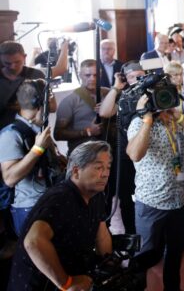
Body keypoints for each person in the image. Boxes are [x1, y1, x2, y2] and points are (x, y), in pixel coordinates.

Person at [126, 87, 184, 291]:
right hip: (151, 203)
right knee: (144, 256)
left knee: (175, 254)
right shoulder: (138, 123)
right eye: (161, 98)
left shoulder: (177, 122)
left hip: (179, 201)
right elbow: (134, 154)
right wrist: (147, 120)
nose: (165, 101)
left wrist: (180, 117)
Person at [7, 140, 113, 291]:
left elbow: (101, 235)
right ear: (76, 171)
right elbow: (33, 241)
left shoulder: (96, 196)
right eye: (98, 167)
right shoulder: (61, 198)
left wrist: (109, 268)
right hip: (41, 284)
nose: (105, 174)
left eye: (108, 167)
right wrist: (66, 283)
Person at [0, 80, 59, 235]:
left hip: (48, 201)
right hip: (29, 207)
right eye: (49, 102)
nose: (52, 109)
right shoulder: (11, 134)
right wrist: (37, 149)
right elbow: (10, 178)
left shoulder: (37, 130)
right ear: (40, 105)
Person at [97, 61, 146, 234]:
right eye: (133, 77)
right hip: (126, 155)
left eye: (141, 76)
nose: (138, 80)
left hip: (150, 155)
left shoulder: (151, 93)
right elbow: (104, 112)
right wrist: (117, 87)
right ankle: (132, 235)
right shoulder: (124, 97)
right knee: (127, 199)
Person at [55, 59, 111, 155]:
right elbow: (58, 134)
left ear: (100, 75)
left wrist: (111, 109)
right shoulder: (70, 101)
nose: (92, 79)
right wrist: (87, 132)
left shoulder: (109, 94)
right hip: (82, 155)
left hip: (108, 152)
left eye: (96, 75)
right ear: (80, 75)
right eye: (87, 75)